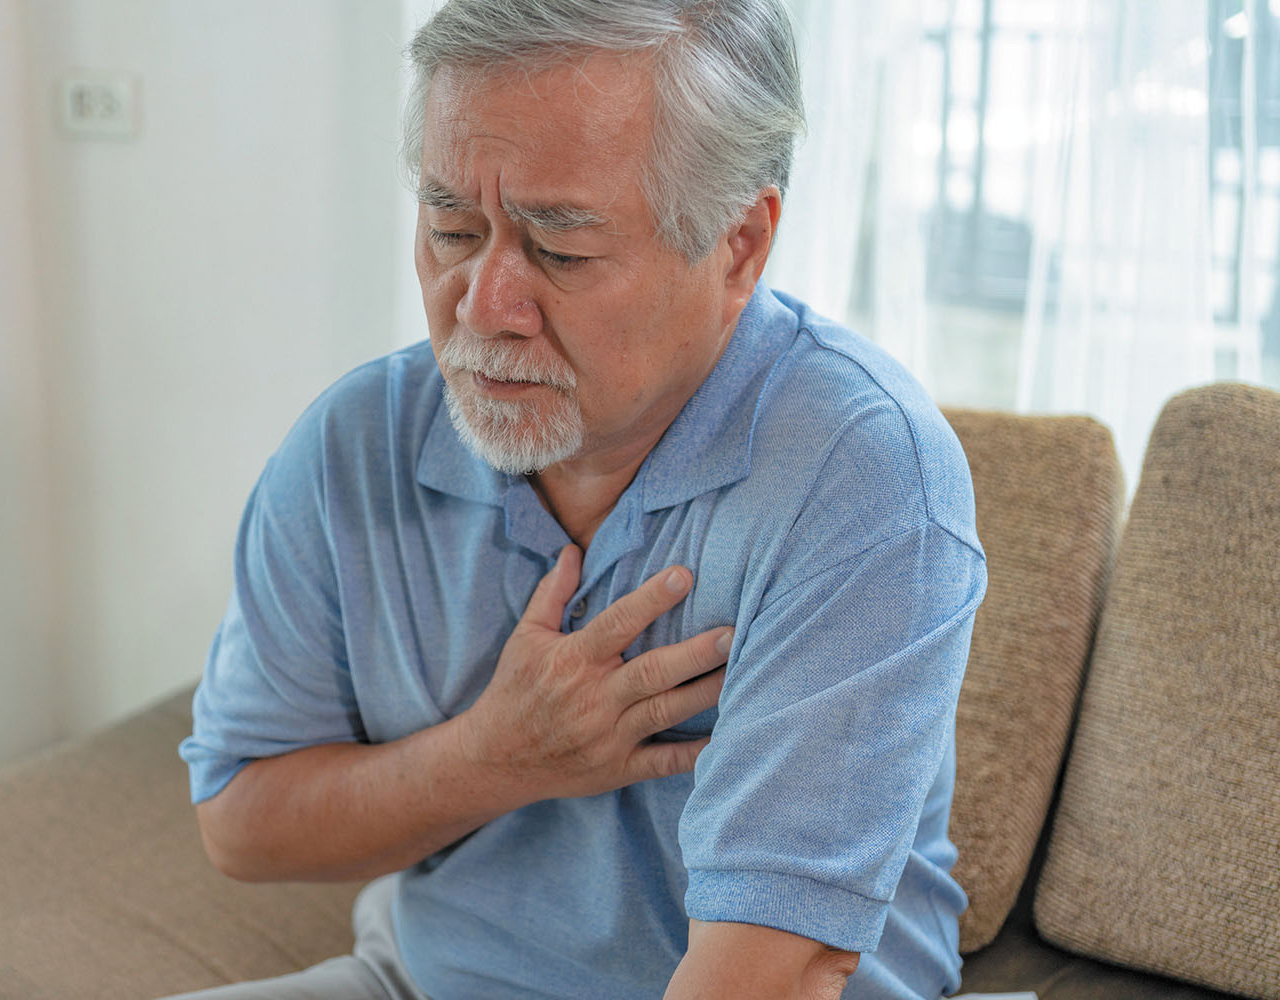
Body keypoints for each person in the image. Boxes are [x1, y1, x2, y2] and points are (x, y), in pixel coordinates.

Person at [172, 2, 986, 998]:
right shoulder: (355, 442)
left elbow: (767, 975)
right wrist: (495, 756)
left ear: (739, 245)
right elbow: (239, 824)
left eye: (558, 250)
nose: (480, 308)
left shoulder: (864, 474)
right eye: (450, 228)